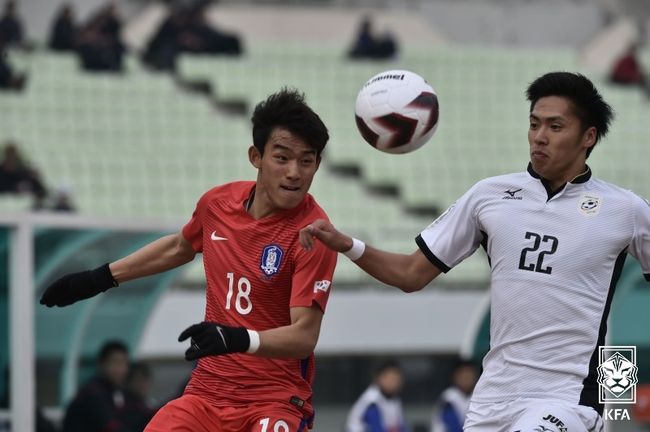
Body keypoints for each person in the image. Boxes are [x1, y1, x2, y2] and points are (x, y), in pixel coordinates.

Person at [300, 71, 648, 431]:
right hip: (491, 400)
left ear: (588, 137)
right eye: (534, 124)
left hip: (568, 397)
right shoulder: (489, 196)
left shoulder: (625, 210)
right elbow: (410, 274)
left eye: (555, 127)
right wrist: (347, 244)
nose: (539, 137)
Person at [40, 88, 338, 431]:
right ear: (256, 156)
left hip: (274, 400)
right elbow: (179, 247)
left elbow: (304, 336)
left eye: (307, 160)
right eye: (282, 157)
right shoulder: (217, 204)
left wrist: (238, 338)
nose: (294, 172)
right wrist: (97, 279)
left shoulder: (313, 235)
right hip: (207, 394)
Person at [62, 340, 131, 432]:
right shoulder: (92, 394)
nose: (121, 369)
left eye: (124, 363)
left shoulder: (113, 392)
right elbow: (110, 427)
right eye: (116, 362)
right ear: (102, 364)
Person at [345, 359, 408, 432]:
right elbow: (376, 428)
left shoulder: (394, 398)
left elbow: (401, 427)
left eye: (396, 379)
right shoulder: (372, 399)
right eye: (390, 378)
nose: (393, 382)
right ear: (378, 378)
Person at [430, 359, 478, 432]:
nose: (466, 378)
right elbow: (453, 427)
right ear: (455, 376)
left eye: (469, 375)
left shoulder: (478, 396)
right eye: (463, 374)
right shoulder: (448, 397)